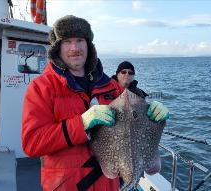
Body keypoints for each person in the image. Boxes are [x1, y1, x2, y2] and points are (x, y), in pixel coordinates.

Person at [21, 15, 169, 191]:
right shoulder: (41, 87)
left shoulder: (111, 85)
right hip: (66, 186)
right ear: (57, 48)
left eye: (80, 40)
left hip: (109, 185)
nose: (75, 48)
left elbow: (135, 122)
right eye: (67, 41)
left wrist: (153, 114)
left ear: (88, 46)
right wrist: (81, 124)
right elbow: (32, 143)